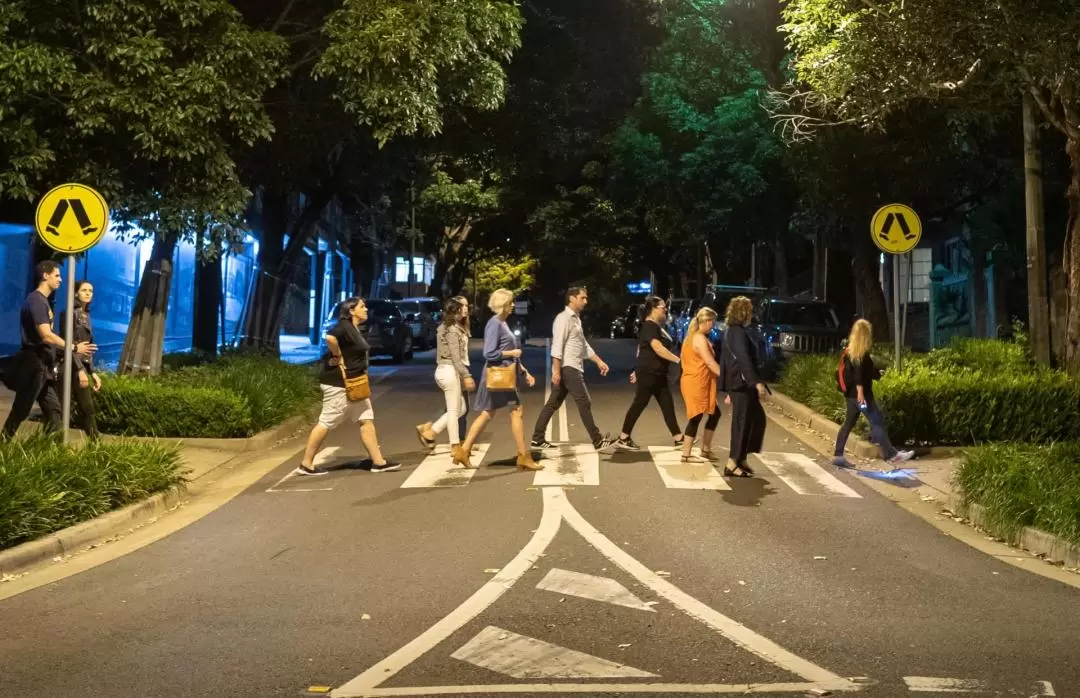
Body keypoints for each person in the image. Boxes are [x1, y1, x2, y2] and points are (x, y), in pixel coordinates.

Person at [295, 297, 399, 476]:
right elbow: (330, 337)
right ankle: (306, 464)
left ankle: (378, 462)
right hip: (339, 383)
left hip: (354, 383)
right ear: (351, 311)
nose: (366, 309)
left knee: (366, 419)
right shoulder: (343, 326)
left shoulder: (354, 328)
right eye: (362, 306)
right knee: (326, 421)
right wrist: (338, 355)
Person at [3, 261, 95, 439]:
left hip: (43, 366)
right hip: (34, 365)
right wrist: (74, 347)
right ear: (45, 276)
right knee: (20, 411)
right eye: (57, 275)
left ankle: (49, 453)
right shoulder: (36, 301)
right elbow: (46, 335)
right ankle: (3, 444)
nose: (60, 280)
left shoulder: (43, 301)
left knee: (55, 411)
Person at [454, 288, 543, 471]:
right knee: (516, 410)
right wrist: (512, 352)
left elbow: (509, 354)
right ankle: (522, 456)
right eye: (510, 302)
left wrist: (524, 372)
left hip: (504, 373)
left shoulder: (502, 323)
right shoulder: (495, 324)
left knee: (489, 413)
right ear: (503, 304)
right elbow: (489, 353)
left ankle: (464, 451)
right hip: (499, 374)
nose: (512, 306)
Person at [530, 286, 617, 452]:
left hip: (573, 366)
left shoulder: (576, 319)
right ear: (572, 298)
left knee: (553, 403)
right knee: (584, 401)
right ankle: (597, 441)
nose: (586, 301)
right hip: (569, 368)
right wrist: (555, 371)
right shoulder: (563, 319)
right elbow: (557, 347)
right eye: (582, 298)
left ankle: (537, 438)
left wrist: (599, 361)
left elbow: (583, 345)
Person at [833, 319, 914, 467]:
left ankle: (838, 455)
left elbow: (864, 373)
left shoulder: (850, 351)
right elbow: (858, 376)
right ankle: (891, 455)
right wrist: (861, 395)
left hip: (851, 396)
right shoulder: (860, 354)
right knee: (876, 422)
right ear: (865, 334)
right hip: (861, 396)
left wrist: (876, 373)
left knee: (848, 424)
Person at [615, 296, 685, 451]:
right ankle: (623, 437)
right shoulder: (649, 326)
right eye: (662, 307)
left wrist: (636, 368)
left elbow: (641, 349)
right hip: (650, 372)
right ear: (654, 309)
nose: (665, 309)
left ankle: (679, 438)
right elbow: (657, 348)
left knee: (667, 405)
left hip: (656, 372)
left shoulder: (655, 326)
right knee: (639, 403)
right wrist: (679, 360)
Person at [416, 296, 474, 452]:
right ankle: (455, 446)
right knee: (455, 410)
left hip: (449, 371)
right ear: (456, 309)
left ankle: (430, 431)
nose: (466, 309)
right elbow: (455, 357)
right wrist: (466, 375)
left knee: (460, 408)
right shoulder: (452, 330)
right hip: (449, 370)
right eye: (463, 306)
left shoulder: (451, 327)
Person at [719, 296, 767, 477]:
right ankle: (733, 462)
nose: (752, 313)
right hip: (742, 383)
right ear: (744, 312)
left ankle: (741, 457)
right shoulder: (737, 332)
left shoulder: (732, 330)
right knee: (742, 422)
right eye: (750, 310)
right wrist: (755, 383)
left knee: (754, 419)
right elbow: (743, 358)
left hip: (738, 382)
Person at [679, 306, 722, 463]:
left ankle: (705, 450)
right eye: (713, 322)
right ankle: (686, 454)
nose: (713, 325)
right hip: (696, 382)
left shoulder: (695, 336)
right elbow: (710, 362)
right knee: (696, 417)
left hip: (699, 381)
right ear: (707, 321)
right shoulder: (698, 338)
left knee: (715, 413)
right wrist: (726, 377)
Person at [59, 280, 101, 439]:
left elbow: (87, 348)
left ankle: (97, 449)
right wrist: (81, 370)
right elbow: (67, 344)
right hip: (70, 368)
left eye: (90, 290)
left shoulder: (85, 315)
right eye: (84, 290)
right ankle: (51, 447)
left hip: (79, 368)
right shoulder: (70, 313)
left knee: (87, 410)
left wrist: (93, 372)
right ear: (76, 293)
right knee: (62, 411)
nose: (88, 293)